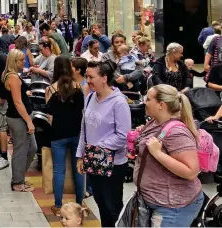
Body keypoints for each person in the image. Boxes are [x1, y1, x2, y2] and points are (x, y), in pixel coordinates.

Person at [131, 84, 204, 227]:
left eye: (149, 99)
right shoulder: (155, 122)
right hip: (155, 200)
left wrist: (158, 154)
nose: (144, 102)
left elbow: (191, 171)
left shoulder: (177, 132)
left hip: (173, 207)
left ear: (161, 105)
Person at [76, 61, 131, 227]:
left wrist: (97, 148)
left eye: (91, 77)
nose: (87, 80)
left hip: (113, 165)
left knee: (113, 207)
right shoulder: (91, 97)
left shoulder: (119, 103)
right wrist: (81, 155)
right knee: (101, 203)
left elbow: (123, 136)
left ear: (104, 78)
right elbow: (84, 128)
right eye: (86, 76)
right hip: (94, 162)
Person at [45, 56, 85, 215]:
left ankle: (58, 205)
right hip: (76, 133)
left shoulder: (52, 89)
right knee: (78, 169)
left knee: (58, 171)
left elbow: (50, 116)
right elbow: (82, 111)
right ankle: (79, 204)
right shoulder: (78, 87)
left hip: (58, 134)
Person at [0, 49, 36, 192]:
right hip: (18, 118)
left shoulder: (10, 75)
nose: (24, 62)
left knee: (31, 148)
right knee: (21, 150)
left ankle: (19, 176)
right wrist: (29, 121)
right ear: (14, 61)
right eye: (21, 60)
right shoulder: (13, 77)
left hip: (20, 116)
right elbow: (17, 102)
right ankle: (17, 182)